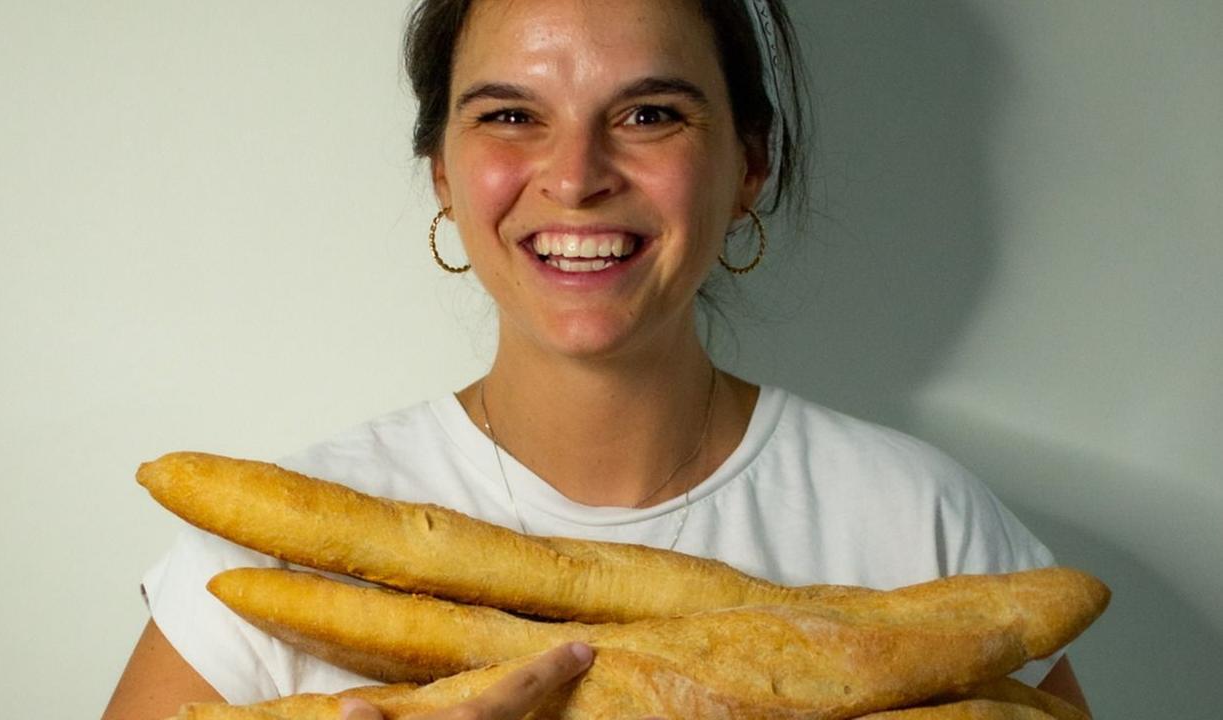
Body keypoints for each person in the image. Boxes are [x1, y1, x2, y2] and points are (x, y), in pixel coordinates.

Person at [103, 1, 1090, 718]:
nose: (576, 177)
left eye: (650, 112)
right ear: (443, 171)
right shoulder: (269, 548)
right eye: (509, 114)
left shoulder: (920, 526)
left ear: (749, 164)